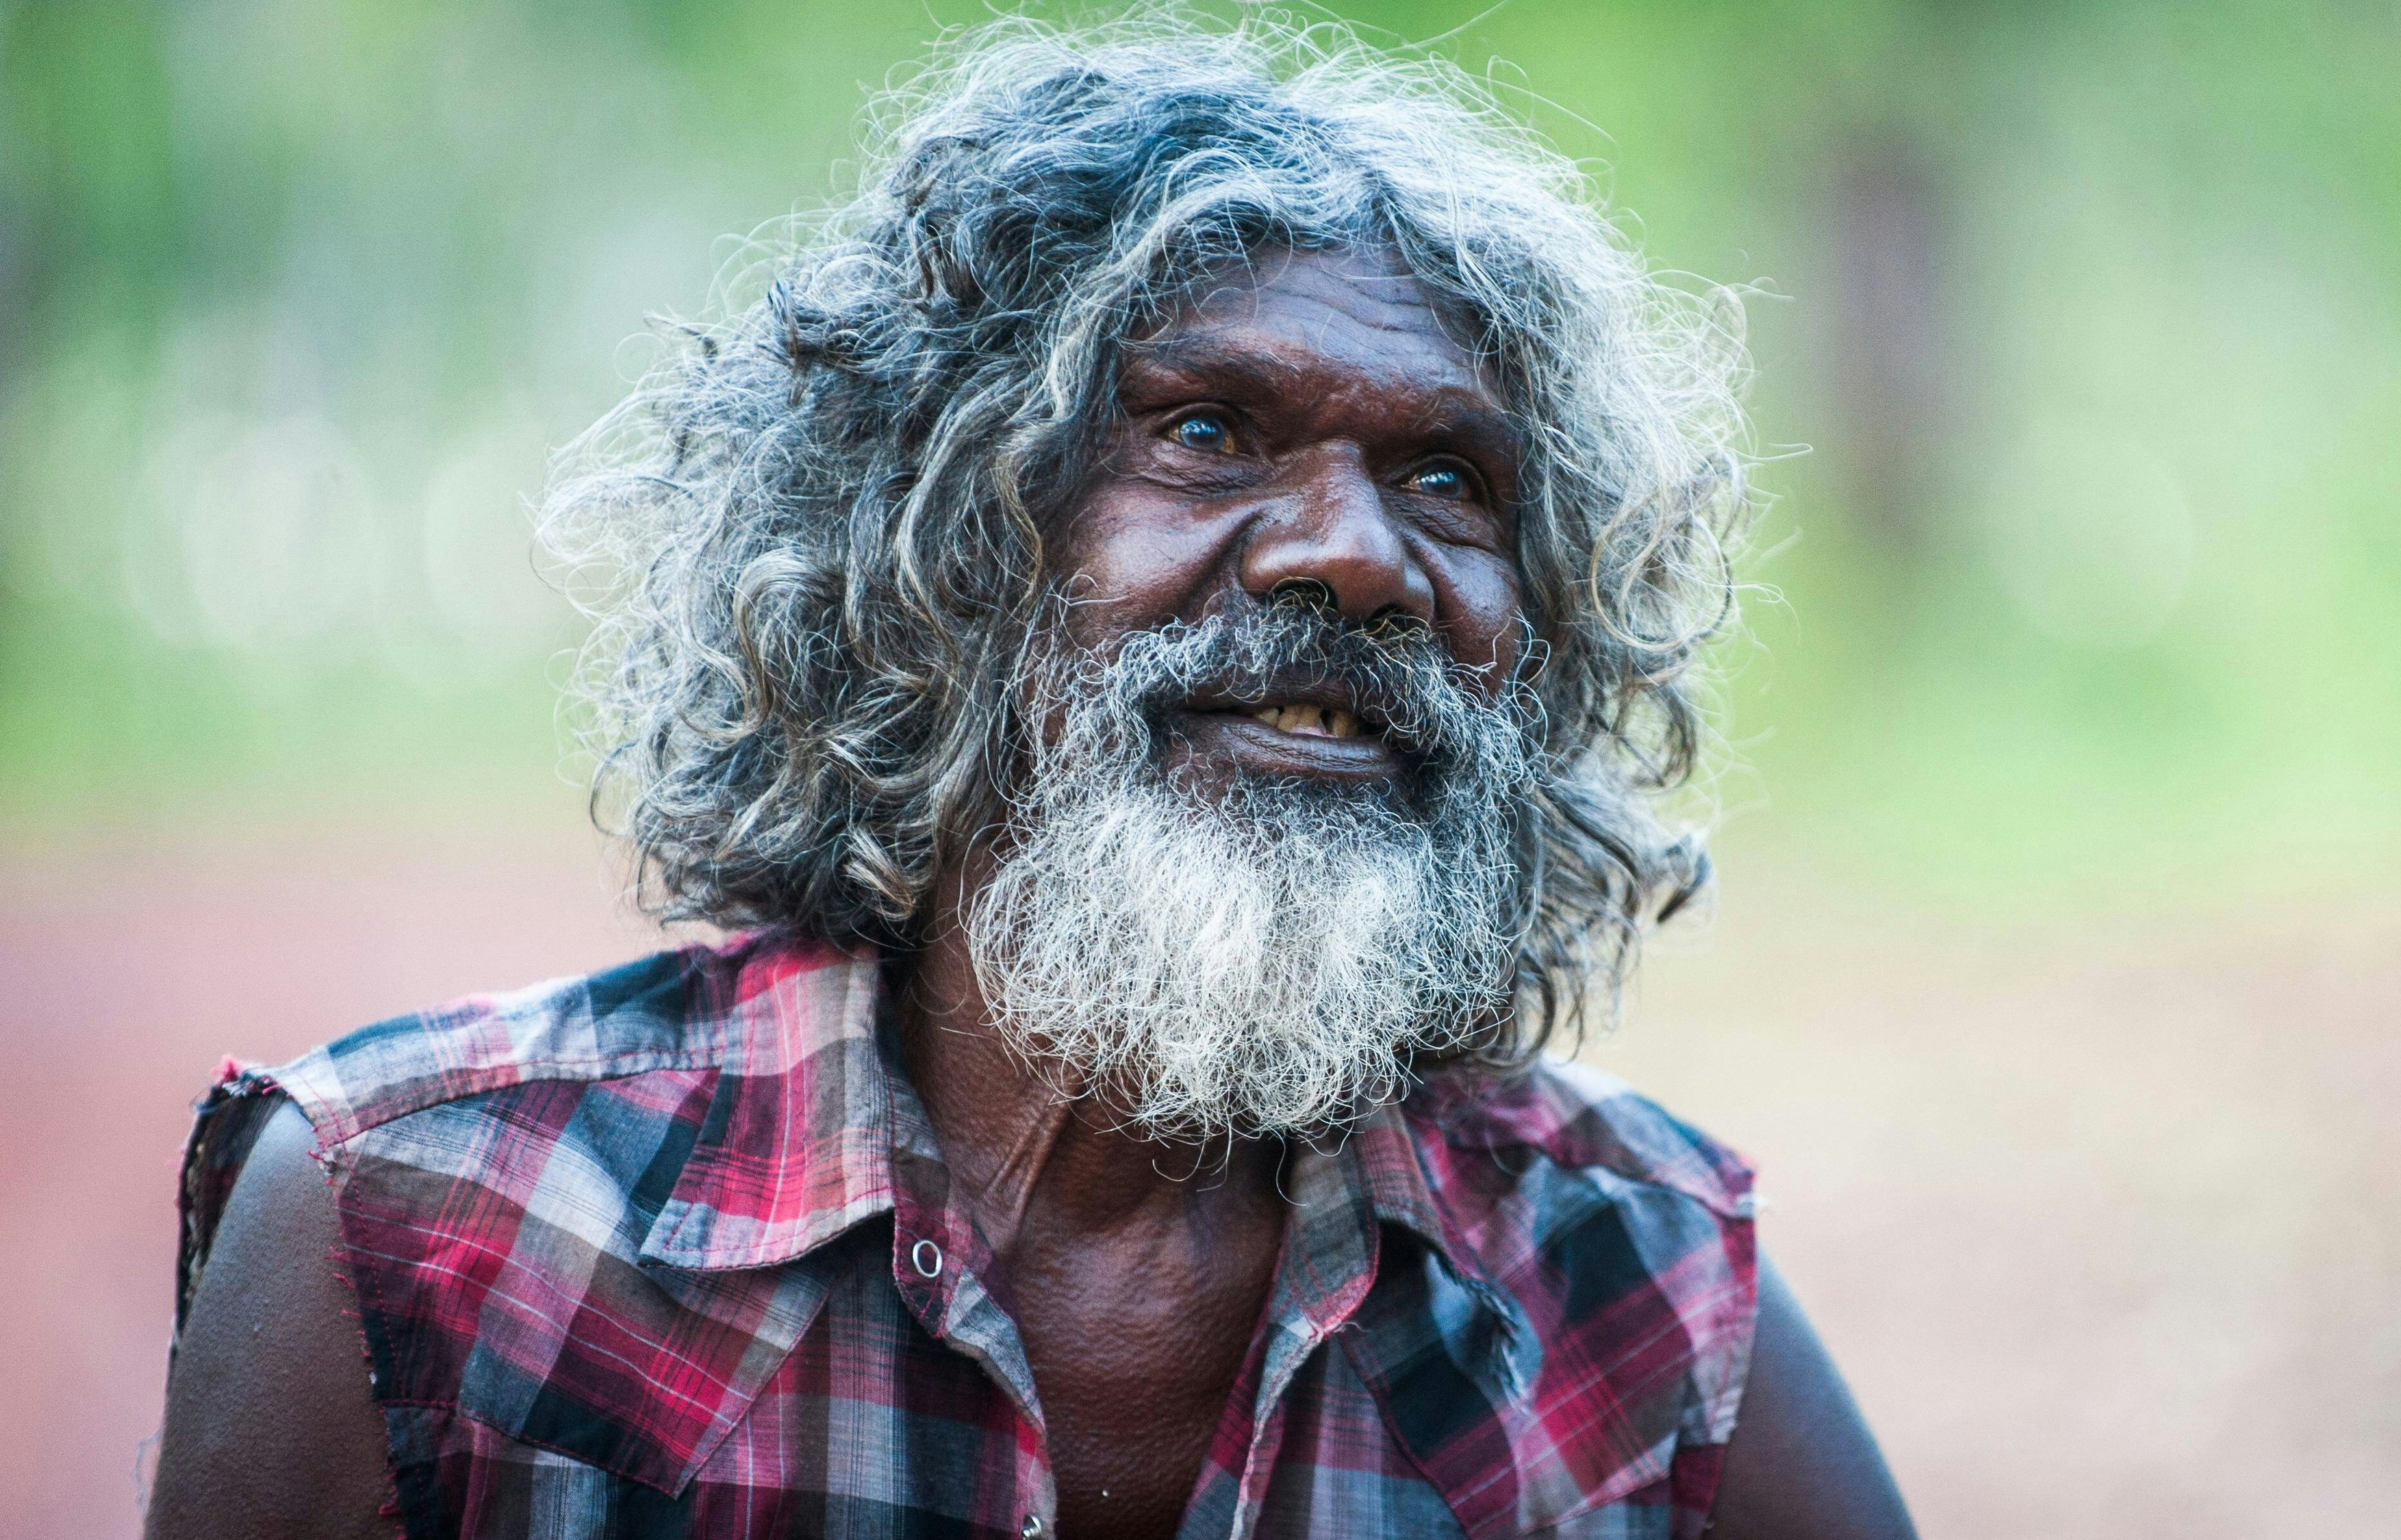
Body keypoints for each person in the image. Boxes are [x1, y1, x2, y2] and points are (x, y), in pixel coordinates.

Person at [147, 18, 1916, 1540]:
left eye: (1450, 477)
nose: (1356, 555)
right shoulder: (426, 1228)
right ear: (936, 547)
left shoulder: (1642, 1295)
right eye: (1209, 432)